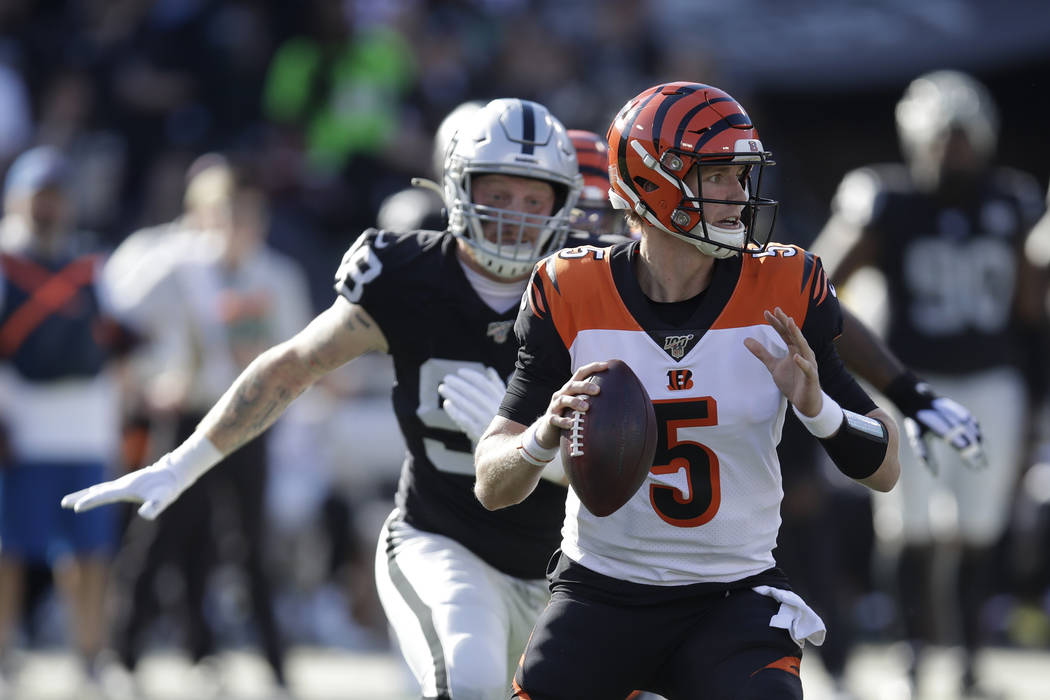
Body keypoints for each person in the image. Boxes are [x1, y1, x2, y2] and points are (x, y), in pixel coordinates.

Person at [62, 97, 588, 700]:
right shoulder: (406, 272)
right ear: (459, 188)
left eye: (533, 198)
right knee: (466, 680)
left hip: (561, 561)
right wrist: (184, 460)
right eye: (499, 192)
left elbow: (628, 466)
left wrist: (528, 453)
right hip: (444, 541)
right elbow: (293, 366)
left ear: (561, 203)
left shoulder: (581, 291)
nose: (516, 216)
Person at [471, 81, 901, 700]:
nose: (739, 195)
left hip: (734, 595)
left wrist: (818, 409)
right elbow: (491, 483)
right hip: (602, 588)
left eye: (741, 175)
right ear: (654, 180)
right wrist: (541, 437)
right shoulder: (571, 290)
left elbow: (885, 468)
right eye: (718, 175)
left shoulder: (782, 286)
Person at [811, 69, 1046, 697]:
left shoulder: (1014, 200)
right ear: (916, 138)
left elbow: (1031, 308)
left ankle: (967, 660)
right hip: (908, 381)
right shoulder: (885, 198)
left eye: (964, 136)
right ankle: (913, 655)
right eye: (942, 136)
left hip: (991, 379)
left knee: (978, 529)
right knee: (906, 526)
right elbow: (817, 282)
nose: (954, 148)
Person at [102, 156, 308, 690]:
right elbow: (120, 314)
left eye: (247, 213)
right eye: (226, 212)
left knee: (246, 544)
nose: (238, 225)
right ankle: (122, 657)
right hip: (191, 416)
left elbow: (300, 352)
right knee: (162, 533)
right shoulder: (178, 263)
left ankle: (274, 667)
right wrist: (151, 380)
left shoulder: (275, 273)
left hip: (250, 422)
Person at [0, 146, 134, 688]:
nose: (48, 209)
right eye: (38, 198)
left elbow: (121, 344)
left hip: (84, 428)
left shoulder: (94, 268)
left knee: (91, 552)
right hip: (20, 428)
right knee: (8, 549)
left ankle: (90, 655)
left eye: (56, 198)